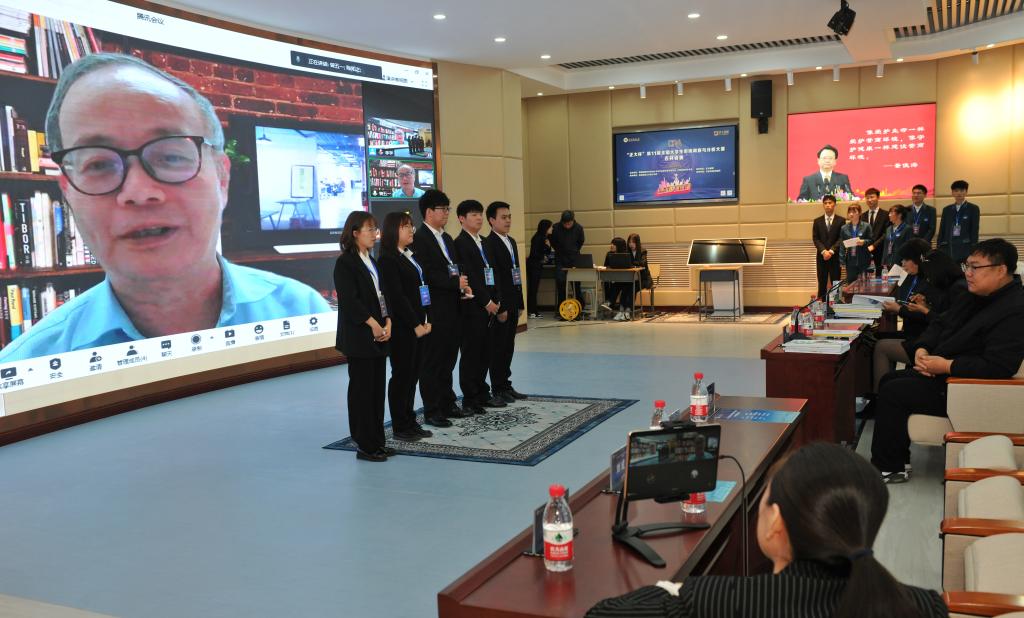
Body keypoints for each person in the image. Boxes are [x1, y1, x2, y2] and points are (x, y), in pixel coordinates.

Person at [0, 53, 330, 363]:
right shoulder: (25, 369)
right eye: (99, 164)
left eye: (171, 156)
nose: (139, 192)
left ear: (222, 178)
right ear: (68, 192)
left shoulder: (303, 313)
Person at [586, 442, 948, 618]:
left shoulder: (707, 600)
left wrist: (669, 590)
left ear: (775, 521)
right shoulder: (925, 606)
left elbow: (601, 614)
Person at [871, 238, 1024, 483]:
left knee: (894, 392)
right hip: (946, 374)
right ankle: (896, 461)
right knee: (889, 380)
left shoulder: (1014, 308)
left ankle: (888, 467)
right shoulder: (975, 295)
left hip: (967, 387)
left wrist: (946, 366)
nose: (968, 273)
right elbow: (942, 323)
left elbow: (999, 366)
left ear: (1001, 270)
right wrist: (922, 348)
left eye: (976, 267)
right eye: (967, 266)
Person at [334, 211, 392, 463]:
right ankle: (365, 445)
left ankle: (377, 441)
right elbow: (350, 301)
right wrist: (372, 323)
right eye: (369, 229)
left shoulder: (371, 260)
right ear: (355, 233)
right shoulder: (345, 263)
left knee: (377, 391)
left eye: (375, 229)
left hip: (378, 334)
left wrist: (387, 321)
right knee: (362, 391)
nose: (374, 234)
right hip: (359, 336)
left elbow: (381, 295)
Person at [412, 189, 472, 427]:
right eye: (443, 209)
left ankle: (447, 402)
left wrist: (463, 286)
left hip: (453, 306)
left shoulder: (446, 238)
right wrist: (453, 283)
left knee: (448, 359)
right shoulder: (419, 239)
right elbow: (426, 273)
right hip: (435, 309)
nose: (447, 213)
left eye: (448, 208)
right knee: (433, 360)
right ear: (429, 212)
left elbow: (454, 267)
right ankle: (432, 409)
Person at [377, 212, 433, 442]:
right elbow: (397, 297)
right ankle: (400, 425)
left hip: (419, 324)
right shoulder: (388, 260)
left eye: (411, 226)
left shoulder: (410, 255)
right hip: (403, 328)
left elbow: (421, 289)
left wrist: (427, 319)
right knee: (402, 376)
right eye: (405, 226)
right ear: (393, 230)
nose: (411, 230)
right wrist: (415, 324)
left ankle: (410, 420)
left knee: (413, 375)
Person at [454, 199, 505, 412]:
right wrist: (486, 302)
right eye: (473, 214)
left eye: (480, 214)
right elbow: (471, 277)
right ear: (462, 219)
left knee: (485, 352)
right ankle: (470, 397)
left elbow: (494, 271)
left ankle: (483, 392)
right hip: (474, 306)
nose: (478, 218)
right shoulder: (460, 244)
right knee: (471, 353)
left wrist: (497, 299)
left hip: (490, 306)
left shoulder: (484, 241)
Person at [872, 239, 933, 392]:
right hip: (911, 332)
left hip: (922, 340)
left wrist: (899, 309)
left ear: (917, 260)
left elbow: (926, 316)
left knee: (880, 347)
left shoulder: (929, 281)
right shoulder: (913, 277)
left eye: (906, 259)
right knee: (872, 338)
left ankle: (880, 394)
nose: (902, 263)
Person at [484, 201, 526, 403]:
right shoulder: (489, 244)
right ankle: (497, 387)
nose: (508, 221)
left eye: (509, 217)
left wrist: (520, 303)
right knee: (498, 347)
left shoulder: (512, 241)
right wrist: (499, 305)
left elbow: (516, 275)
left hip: (513, 302)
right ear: (492, 220)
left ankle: (505, 384)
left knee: (509, 345)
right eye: (503, 217)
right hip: (501, 304)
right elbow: (494, 278)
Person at [550, 209, 585, 317]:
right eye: (564, 224)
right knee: (560, 283)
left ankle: (579, 308)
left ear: (573, 220)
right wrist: (559, 250)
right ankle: (561, 309)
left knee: (576, 285)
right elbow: (552, 241)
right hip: (560, 259)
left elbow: (581, 242)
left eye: (569, 223)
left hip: (574, 259)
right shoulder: (556, 227)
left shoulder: (579, 228)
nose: (567, 226)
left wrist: (574, 250)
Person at [937, 179, 980, 263]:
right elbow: (942, 228)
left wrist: (973, 247)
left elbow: (974, 229)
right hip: (948, 248)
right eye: (956, 191)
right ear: (952, 193)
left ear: (966, 192)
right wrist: (939, 245)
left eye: (962, 190)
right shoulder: (947, 209)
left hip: (965, 247)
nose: (959, 193)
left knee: (963, 269)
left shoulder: (973, 208)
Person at [811, 195, 845, 299]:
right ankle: (821, 305)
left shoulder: (841, 220)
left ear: (834, 204)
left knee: (836, 283)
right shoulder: (817, 221)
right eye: (825, 203)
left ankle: (836, 304)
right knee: (822, 282)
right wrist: (823, 251)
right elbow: (815, 238)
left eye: (830, 203)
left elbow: (841, 238)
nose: (827, 205)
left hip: (835, 256)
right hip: (822, 257)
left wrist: (831, 251)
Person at [526, 219, 553, 319]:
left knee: (534, 288)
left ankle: (532, 310)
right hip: (533, 266)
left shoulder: (545, 238)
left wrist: (549, 246)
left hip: (537, 265)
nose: (552, 228)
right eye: (551, 227)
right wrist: (542, 257)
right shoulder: (537, 238)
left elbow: (548, 252)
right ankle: (532, 311)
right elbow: (534, 253)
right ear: (546, 228)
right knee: (533, 289)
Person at [602, 237, 633, 321]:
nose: (611, 245)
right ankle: (610, 303)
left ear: (619, 246)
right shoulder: (609, 254)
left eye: (614, 244)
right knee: (609, 283)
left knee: (623, 285)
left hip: (625, 279)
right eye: (611, 244)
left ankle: (612, 303)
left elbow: (629, 266)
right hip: (614, 278)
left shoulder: (626, 255)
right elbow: (606, 266)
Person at [839, 203, 872, 282]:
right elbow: (842, 245)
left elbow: (871, 240)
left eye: (854, 212)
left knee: (864, 283)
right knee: (851, 283)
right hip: (850, 260)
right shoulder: (844, 228)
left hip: (863, 259)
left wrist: (864, 242)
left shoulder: (866, 226)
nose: (851, 214)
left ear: (860, 213)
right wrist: (842, 261)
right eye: (849, 212)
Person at [879, 205, 911, 273]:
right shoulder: (888, 229)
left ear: (899, 215)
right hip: (888, 263)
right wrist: (883, 262)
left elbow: (908, 248)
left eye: (891, 213)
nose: (889, 215)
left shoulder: (907, 229)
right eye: (889, 213)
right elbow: (885, 247)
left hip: (900, 263)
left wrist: (905, 262)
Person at [863, 187, 888, 273]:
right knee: (865, 277)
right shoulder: (862, 216)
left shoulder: (886, 215)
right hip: (865, 252)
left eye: (872, 197)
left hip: (881, 251)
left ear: (878, 197)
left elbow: (886, 233)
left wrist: (874, 245)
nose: (869, 200)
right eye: (867, 198)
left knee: (880, 276)